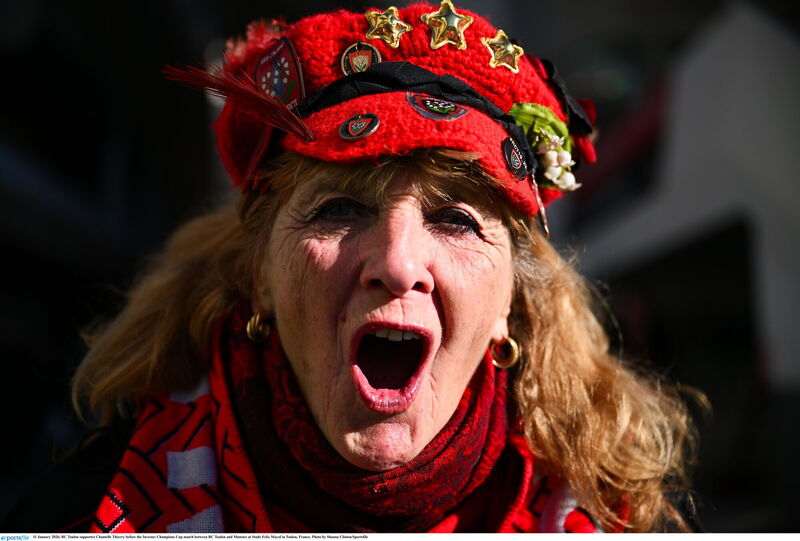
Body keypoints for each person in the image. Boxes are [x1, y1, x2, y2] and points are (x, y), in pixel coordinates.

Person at [3, 1, 696, 533]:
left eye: (454, 219)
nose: (397, 264)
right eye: (338, 209)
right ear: (259, 279)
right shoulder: (90, 505)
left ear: (509, 308)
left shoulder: (596, 519)